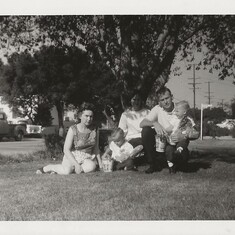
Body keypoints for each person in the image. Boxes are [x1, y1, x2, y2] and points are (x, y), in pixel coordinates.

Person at [140, 86, 199, 174]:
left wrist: (183, 136)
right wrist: (155, 123)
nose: (165, 102)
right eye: (162, 100)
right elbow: (142, 123)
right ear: (159, 102)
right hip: (165, 143)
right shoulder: (157, 109)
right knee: (146, 131)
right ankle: (153, 164)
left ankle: (177, 161)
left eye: (167, 98)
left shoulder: (181, 108)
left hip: (178, 144)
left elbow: (196, 133)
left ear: (172, 97)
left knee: (182, 166)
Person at [36, 102, 102, 175]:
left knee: (91, 167)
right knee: (67, 171)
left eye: (91, 116)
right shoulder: (73, 129)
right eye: (86, 116)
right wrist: (76, 164)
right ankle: (47, 168)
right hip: (72, 156)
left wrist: (101, 164)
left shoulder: (95, 130)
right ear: (80, 116)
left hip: (87, 158)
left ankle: (66, 170)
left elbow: (96, 149)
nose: (89, 119)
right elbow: (66, 149)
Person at [165, 100, 199, 173]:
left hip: (182, 138)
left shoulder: (188, 120)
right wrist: (165, 131)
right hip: (172, 139)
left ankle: (179, 151)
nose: (175, 113)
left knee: (183, 142)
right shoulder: (174, 118)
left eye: (177, 111)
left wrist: (187, 133)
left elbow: (194, 130)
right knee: (168, 150)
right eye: (175, 111)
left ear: (184, 112)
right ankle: (171, 167)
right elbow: (170, 127)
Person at [118, 91, 150, 166]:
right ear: (130, 101)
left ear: (141, 101)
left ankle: (134, 155)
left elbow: (152, 127)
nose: (136, 102)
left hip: (144, 137)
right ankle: (131, 156)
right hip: (131, 139)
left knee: (144, 141)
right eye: (134, 99)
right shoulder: (125, 114)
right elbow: (122, 131)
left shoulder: (147, 112)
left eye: (138, 100)